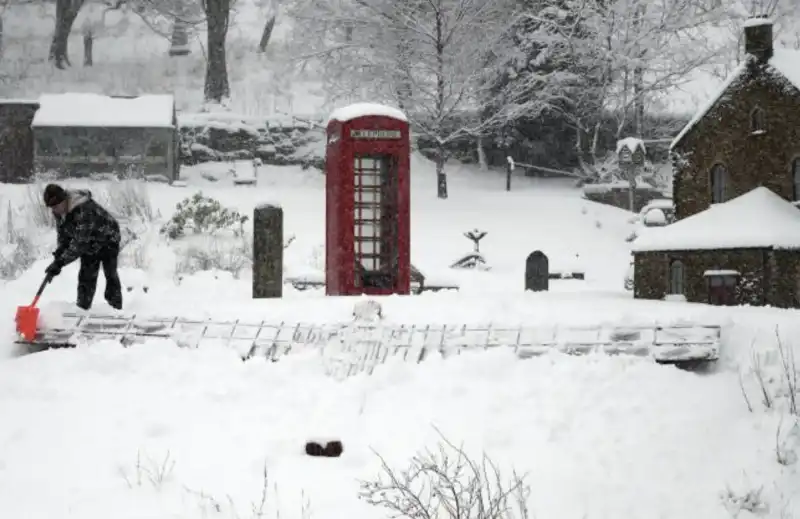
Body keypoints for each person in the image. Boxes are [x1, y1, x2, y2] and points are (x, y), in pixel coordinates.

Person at [43, 184, 123, 311]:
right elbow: (64, 236)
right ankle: (82, 309)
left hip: (108, 237)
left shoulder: (84, 209)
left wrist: (61, 262)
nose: (55, 210)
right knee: (86, 276)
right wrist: (58, 256)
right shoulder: (59, 212)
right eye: (52, 208)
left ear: (64, 200)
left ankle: (115, 308)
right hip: (89, 241)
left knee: (110, 273)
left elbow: (79, 244)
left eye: (56, 206)